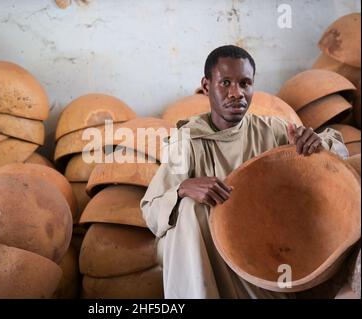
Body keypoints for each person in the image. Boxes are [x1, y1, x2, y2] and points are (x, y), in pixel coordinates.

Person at [140, 45, 349, 299]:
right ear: (207, 86)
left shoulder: (271, 130)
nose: (236, 93)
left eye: (245, 83)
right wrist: (183, 189)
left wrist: (315, 143)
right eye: (225, 83)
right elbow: (152, 209)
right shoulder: (188, 141)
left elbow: (337, 151)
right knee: (189, 210)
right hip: (210, 252)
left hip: (265, 248)